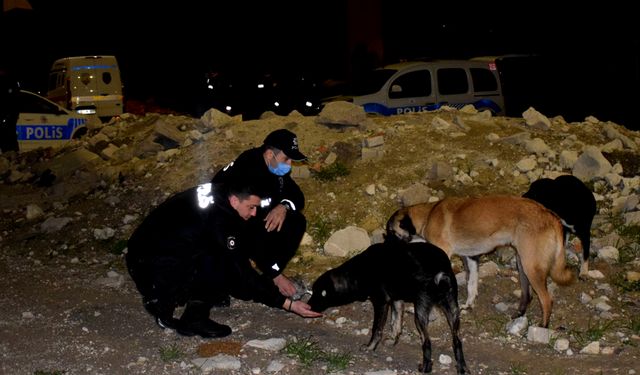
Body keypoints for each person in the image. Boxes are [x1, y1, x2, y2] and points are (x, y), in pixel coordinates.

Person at [125, 180, 321, 339]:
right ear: (235, 201)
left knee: (222, 261)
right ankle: (178, 310)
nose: (254, 213)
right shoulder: (219, 219)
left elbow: (245, 247)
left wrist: (274, 274)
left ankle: (192, 295)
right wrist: (287, 304)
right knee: (221, 261)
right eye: (251, 207)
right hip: (149, 263)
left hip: (158, 249)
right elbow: (242, 269)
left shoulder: (224, 193)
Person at [211, 129, 308, 299]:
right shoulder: (248, 173)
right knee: (244, 290)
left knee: (296, 221)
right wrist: (276, 275)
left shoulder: (273, 166)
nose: (290, 164)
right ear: (270, 154)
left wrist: (282, 206)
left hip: (248, 224)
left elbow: (297, 196)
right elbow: (250, 229)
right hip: (223, 230)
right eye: (287, 158)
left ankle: (267, 275)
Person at [0, 67, 19, 153]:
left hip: (9, 117)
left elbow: (12, 102)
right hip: (8, 117)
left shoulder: (9, 83)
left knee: (9, 139)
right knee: (8, 139)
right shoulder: (8, 83)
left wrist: (9, 116)